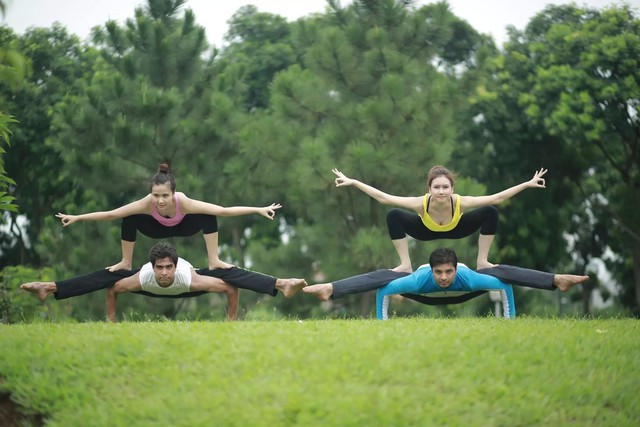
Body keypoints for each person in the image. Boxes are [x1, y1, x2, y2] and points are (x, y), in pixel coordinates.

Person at [56, 163, 282, 271]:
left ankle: (214, 260)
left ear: (173, 193)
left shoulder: (182, 201)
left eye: (165, 195)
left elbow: (222, 210)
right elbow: (111, 214)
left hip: (183, 226)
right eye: (156, 196)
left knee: (209, 215)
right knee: (129, 218)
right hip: (156, 228)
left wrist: (258, 209)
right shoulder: (148, 202)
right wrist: (78, 217)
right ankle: (126, 261)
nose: (160, 200)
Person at [21, 242, 308, 322]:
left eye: (168, 267)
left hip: (188, 289)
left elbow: (231, 290)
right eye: (160, 268)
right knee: (109, 275)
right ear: (153, 267)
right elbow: (113, 291)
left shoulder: (187, 276)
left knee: (227, 272)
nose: (165, 273)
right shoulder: (145, 275)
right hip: (148, 289)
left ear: (175, 265)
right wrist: (111, 325)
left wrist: (231, 324)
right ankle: (50, 287)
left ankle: (280, 284)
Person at [331, 166, 548, 272]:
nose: (441, 191)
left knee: (490, 210)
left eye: (445, 187)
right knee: (393, 214)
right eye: (437, 187)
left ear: (452, 189)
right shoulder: (420, 203)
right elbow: (383, 198)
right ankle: (405, 264)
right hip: (425, 231)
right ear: (429, 189)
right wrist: (353, 181)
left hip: (457, 228)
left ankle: (482, 261)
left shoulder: (459, 202)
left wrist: (527, 183)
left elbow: (498, 198)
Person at [302, 247, 589, 320]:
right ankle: (331, 287)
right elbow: (384, 290)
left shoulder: (466, 276)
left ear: (454, 268)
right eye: (439, 272)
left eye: (447, 271)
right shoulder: (420, 278)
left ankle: (555, 281)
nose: (443, 277)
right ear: (432, 270)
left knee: (501, 274)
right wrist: (382, 322)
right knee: (388, 277)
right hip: (422, 294)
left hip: (466, 292)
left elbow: (504, 286)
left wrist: (509, 320)